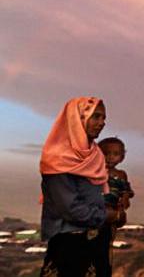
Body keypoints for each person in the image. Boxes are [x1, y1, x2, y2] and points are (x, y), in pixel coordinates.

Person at [39, 96, 121, 276]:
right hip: (69, 246)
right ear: (78, 118)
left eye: (104, 118)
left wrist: (116, 213)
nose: (102, 123)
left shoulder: (96, 156)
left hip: (98, 243)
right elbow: (70, 209)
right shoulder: (57, 159)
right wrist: (106, 215)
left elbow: (101, 197)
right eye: (96, 116)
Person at [95, 137, 135, 276]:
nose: (110, 157)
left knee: (105, 244)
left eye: (115, 154)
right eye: (106, 154)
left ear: (122, 157)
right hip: (96, 208)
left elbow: (126, 191)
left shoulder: (121, 174)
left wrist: (125, 199)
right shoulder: (94, 171)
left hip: (113, 209)